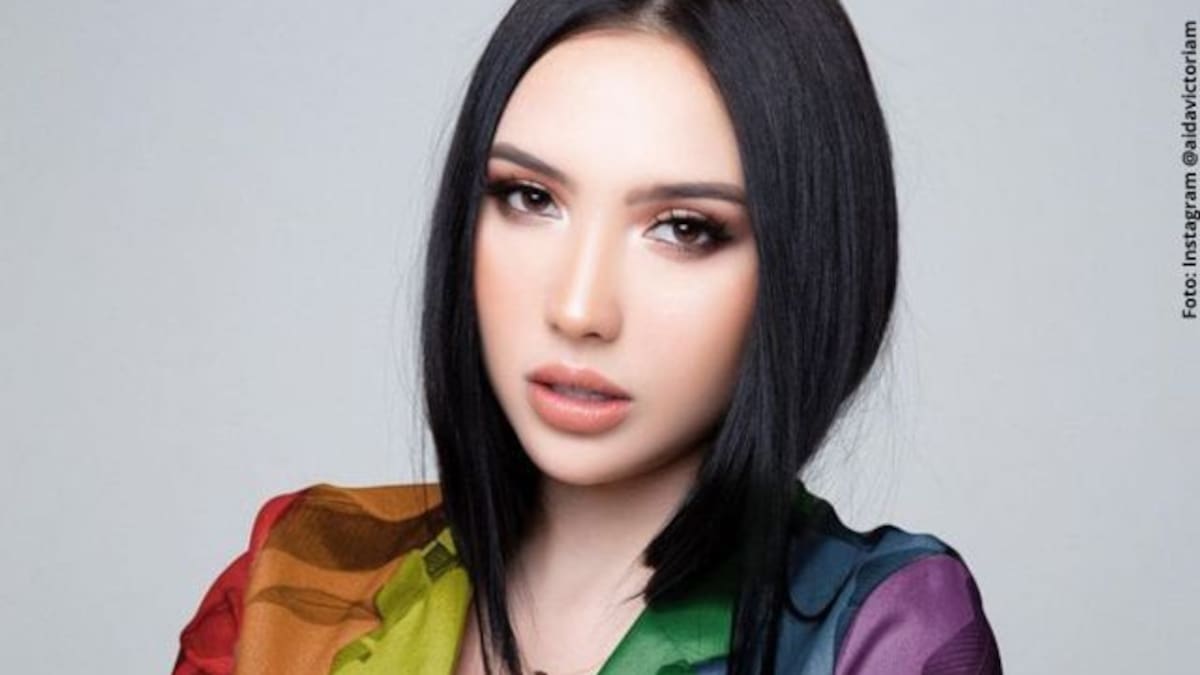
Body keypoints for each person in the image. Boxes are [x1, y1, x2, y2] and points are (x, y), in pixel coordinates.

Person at [173, 1, 1002, 673]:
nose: (578, 308)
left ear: (808, 261)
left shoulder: (879, 637)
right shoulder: (298, 586)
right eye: (531, 197)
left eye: (683, 227)